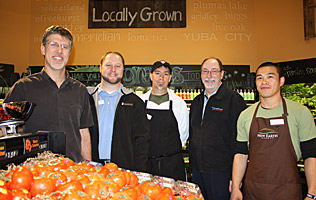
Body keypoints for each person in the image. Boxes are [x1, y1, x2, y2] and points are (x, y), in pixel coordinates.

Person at [4, 25, 93, 162]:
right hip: (33, 173)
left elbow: (84, 133)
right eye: (54, 45)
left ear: (69, 53)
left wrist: (88, 167)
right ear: (43, 49)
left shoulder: (80, 90)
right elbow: (5, 129)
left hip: (73, 171)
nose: (59, 51)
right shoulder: (23, 87)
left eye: (64, 47)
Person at [230, 62, 316, 200]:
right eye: (259, 78)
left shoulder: (300, 112)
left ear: (281, 81)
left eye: (270, 77)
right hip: (253, 190)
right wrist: (235, 187)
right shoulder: (246, 115)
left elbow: (311, 156)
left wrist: (312, 193)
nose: (264, 82)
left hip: (287, 190)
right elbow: (240, 154)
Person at [189, 57, 247, 200]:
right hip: (197, 172)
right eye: (205, 71)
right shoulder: (196, 101)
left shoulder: (234, 100)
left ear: (222, 74)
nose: (209, 76)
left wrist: (236, 179)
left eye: (214, 71)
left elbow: (241, 142)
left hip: (222, 174)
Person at [88, 52, 150, 172]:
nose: (113, 70)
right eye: (108, 65)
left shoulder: (135, 102)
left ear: (123, 69)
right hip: (91, 169)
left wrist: (138, 172)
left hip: (123, 171)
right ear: (100, 68)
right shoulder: (87, 98)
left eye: (117, 66)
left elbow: (142, 141)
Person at [139, 60, 189, 181]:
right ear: (151, 76)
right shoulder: (139, 102)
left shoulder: (179, 103)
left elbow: (184, 134)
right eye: (157, 73)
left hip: (172, 165)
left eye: (166, 74)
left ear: (170, 78)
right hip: (146, 164)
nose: (161, 77)